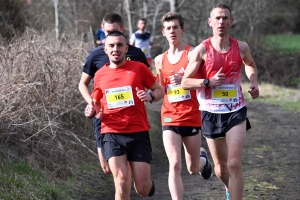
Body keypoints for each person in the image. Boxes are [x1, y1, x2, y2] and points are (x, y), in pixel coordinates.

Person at [181, 3, 259, 200]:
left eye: (225, 18)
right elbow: (185, 82)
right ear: (210, 22)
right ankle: (228, 187)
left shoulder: (241, 47)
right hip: (210, 112)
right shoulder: (202, 50)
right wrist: (208, 82)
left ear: (231, 22)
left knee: (233, 162)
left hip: (235, 110)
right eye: (217, 18)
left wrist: (254, 81)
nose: (221, 22)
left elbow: (250, 64)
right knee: (221, 168)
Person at [92, 30, 164, 199]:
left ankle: (148, 185)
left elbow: (160, 90)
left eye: (119, 45)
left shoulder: (138, 68)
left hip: (137, 132)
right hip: (111, 132)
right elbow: (96, 102)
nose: (115, 49)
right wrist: (92, 110)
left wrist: (150, 96)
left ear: (126, 49)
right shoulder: (100, 74)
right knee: (122, 181)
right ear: (105, 49)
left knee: (142, 188)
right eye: (111, 45)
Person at [78, 13, 150, 176]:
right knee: (107, 168)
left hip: (131, 117)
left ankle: (129, 183)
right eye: (107, 32)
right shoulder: (96, 54)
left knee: (124, 173)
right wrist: (93, 104)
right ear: (102, 30)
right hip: (104, 117)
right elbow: (82, 84)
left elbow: (147, 80)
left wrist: (144, 95)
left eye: (114, 31)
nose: (111, 37)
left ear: (122, 30)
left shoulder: (136, 54)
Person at [154, 12, 213, 200]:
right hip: (169, 115)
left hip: (191, 115)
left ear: (182, 30)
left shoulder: (192, 54)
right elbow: (161, 88)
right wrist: (149, 94)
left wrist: (186, 79)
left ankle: (203, 161)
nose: (172, 31)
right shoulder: (159, 59)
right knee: (174, 165)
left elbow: (205, 80)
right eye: (168, 28)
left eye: (175, 27)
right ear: (163, 32)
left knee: (193, 169)